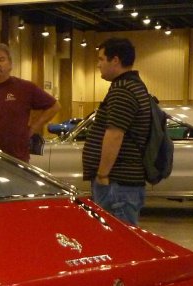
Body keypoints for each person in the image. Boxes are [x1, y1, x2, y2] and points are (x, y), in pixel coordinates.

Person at [81, 37, 151, 226]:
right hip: (121, 183)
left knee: (118, 236)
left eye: (101, 59)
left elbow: (114, 135)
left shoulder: (123, 90)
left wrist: (103, 174)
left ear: (115, 60)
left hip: (117, 184)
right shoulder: (133, 86)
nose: (98, 65)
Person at [0, 43, 60, 162]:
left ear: (10, 64)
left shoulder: (25, 88)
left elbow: (54, 106)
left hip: (16, 159)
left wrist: (33, 128)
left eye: (1, 59)